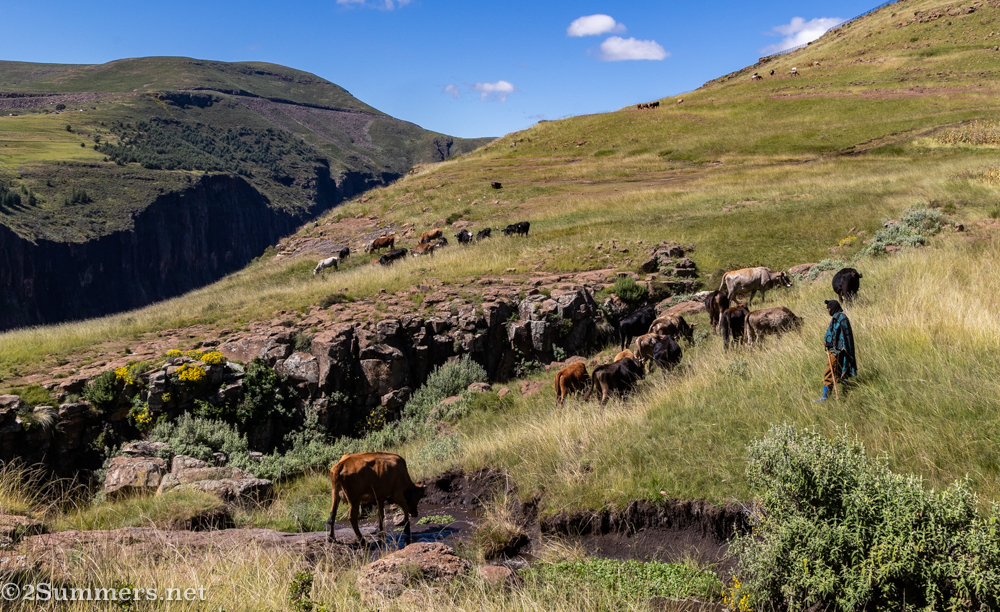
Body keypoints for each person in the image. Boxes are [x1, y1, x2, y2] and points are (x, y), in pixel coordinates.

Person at [815, 299, 856, 402]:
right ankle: (846, 388)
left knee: (830, 371)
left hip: (836, 350)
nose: (828, 310)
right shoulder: (843, 317)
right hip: (843, 349)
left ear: (832, 308)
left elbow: (836, 334)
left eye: (828, 308)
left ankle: (825, 397)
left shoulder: (837, 318)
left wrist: (828, 343)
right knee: (840, 369)